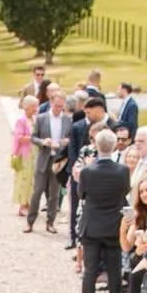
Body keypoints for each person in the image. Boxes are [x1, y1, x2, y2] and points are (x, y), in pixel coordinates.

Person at [72, 129, 131, 293]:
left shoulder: (88, 172)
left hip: (92, 227)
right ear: (114, 146)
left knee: (90, 272)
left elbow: (82, 194)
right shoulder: (123, 171)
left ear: (97, 146)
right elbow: (124, 193)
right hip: (113, 226)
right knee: (115, 272)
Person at [65, 96, 109, 252]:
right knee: (76, 207)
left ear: (99, 110)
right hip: (81, 173)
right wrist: (74, 172)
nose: (87, 116)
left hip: (103, 179)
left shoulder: (113, 126)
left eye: (89, 113)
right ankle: (75, 239)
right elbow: (73, 152)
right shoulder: (78, 127)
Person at [26, 86, 71, 234]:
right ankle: (30, 221)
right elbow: (33, 137)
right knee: (37, 191)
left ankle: (50, 222)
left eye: (61, 106)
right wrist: (43, 141)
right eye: (57, 105)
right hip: (44, 158)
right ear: (51, 102)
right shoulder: (41, 118)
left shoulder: (67, 120)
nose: (59, 109)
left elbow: (70, 137)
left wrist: (66, 141)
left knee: (54, 194)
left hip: (58, 160)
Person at [10, 93, 37, 216]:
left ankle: (30, 203)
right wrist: (32, 138)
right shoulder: (21, 121)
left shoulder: (35, 119)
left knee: (33, 179)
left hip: (34, 154)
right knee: (24, 179)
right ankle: (23, 205)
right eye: (34, 107)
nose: (36, 109)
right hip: (25, 154)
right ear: (27, 107)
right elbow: (19, 137)